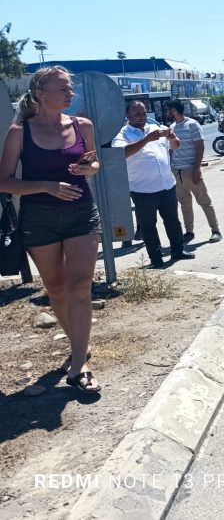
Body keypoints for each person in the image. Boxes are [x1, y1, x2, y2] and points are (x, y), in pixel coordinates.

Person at [0, 66, 103, 393]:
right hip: (39, 218)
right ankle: (78, 344)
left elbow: (95, 162)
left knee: (80, 287)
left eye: (70, 88)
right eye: (64, 89)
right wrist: (46, 186)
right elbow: (4, 181)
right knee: (57, 290)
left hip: (81, 213)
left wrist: (90, 166)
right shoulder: (19, 132)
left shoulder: (82, 125)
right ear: (41, 94)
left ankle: (78, 365)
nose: (70, 94)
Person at [113, 101, 195, 266]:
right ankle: (156, 259)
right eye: (137, 114)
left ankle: (177, 251)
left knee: (172, 219)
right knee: (148, 226)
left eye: (144, 113)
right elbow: (122, 153)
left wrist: (172, 137)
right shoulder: (123, 134)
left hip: (166, 184)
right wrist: (146, 139)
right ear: (128, 116)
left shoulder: (155, 128)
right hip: (143, 189)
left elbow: (176, 146)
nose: (142, 117)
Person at [165, 99, 222, 245]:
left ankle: (215, 231)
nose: (167, 113)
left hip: (191, 169)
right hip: (176, 171)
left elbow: (200, 147)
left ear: (174, 111)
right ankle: (189, 232)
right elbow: (171, 150)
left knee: (204, 201)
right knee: (185, 204)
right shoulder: (171, 127)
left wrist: (196, 169)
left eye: (169, 110)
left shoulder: (192, 125)